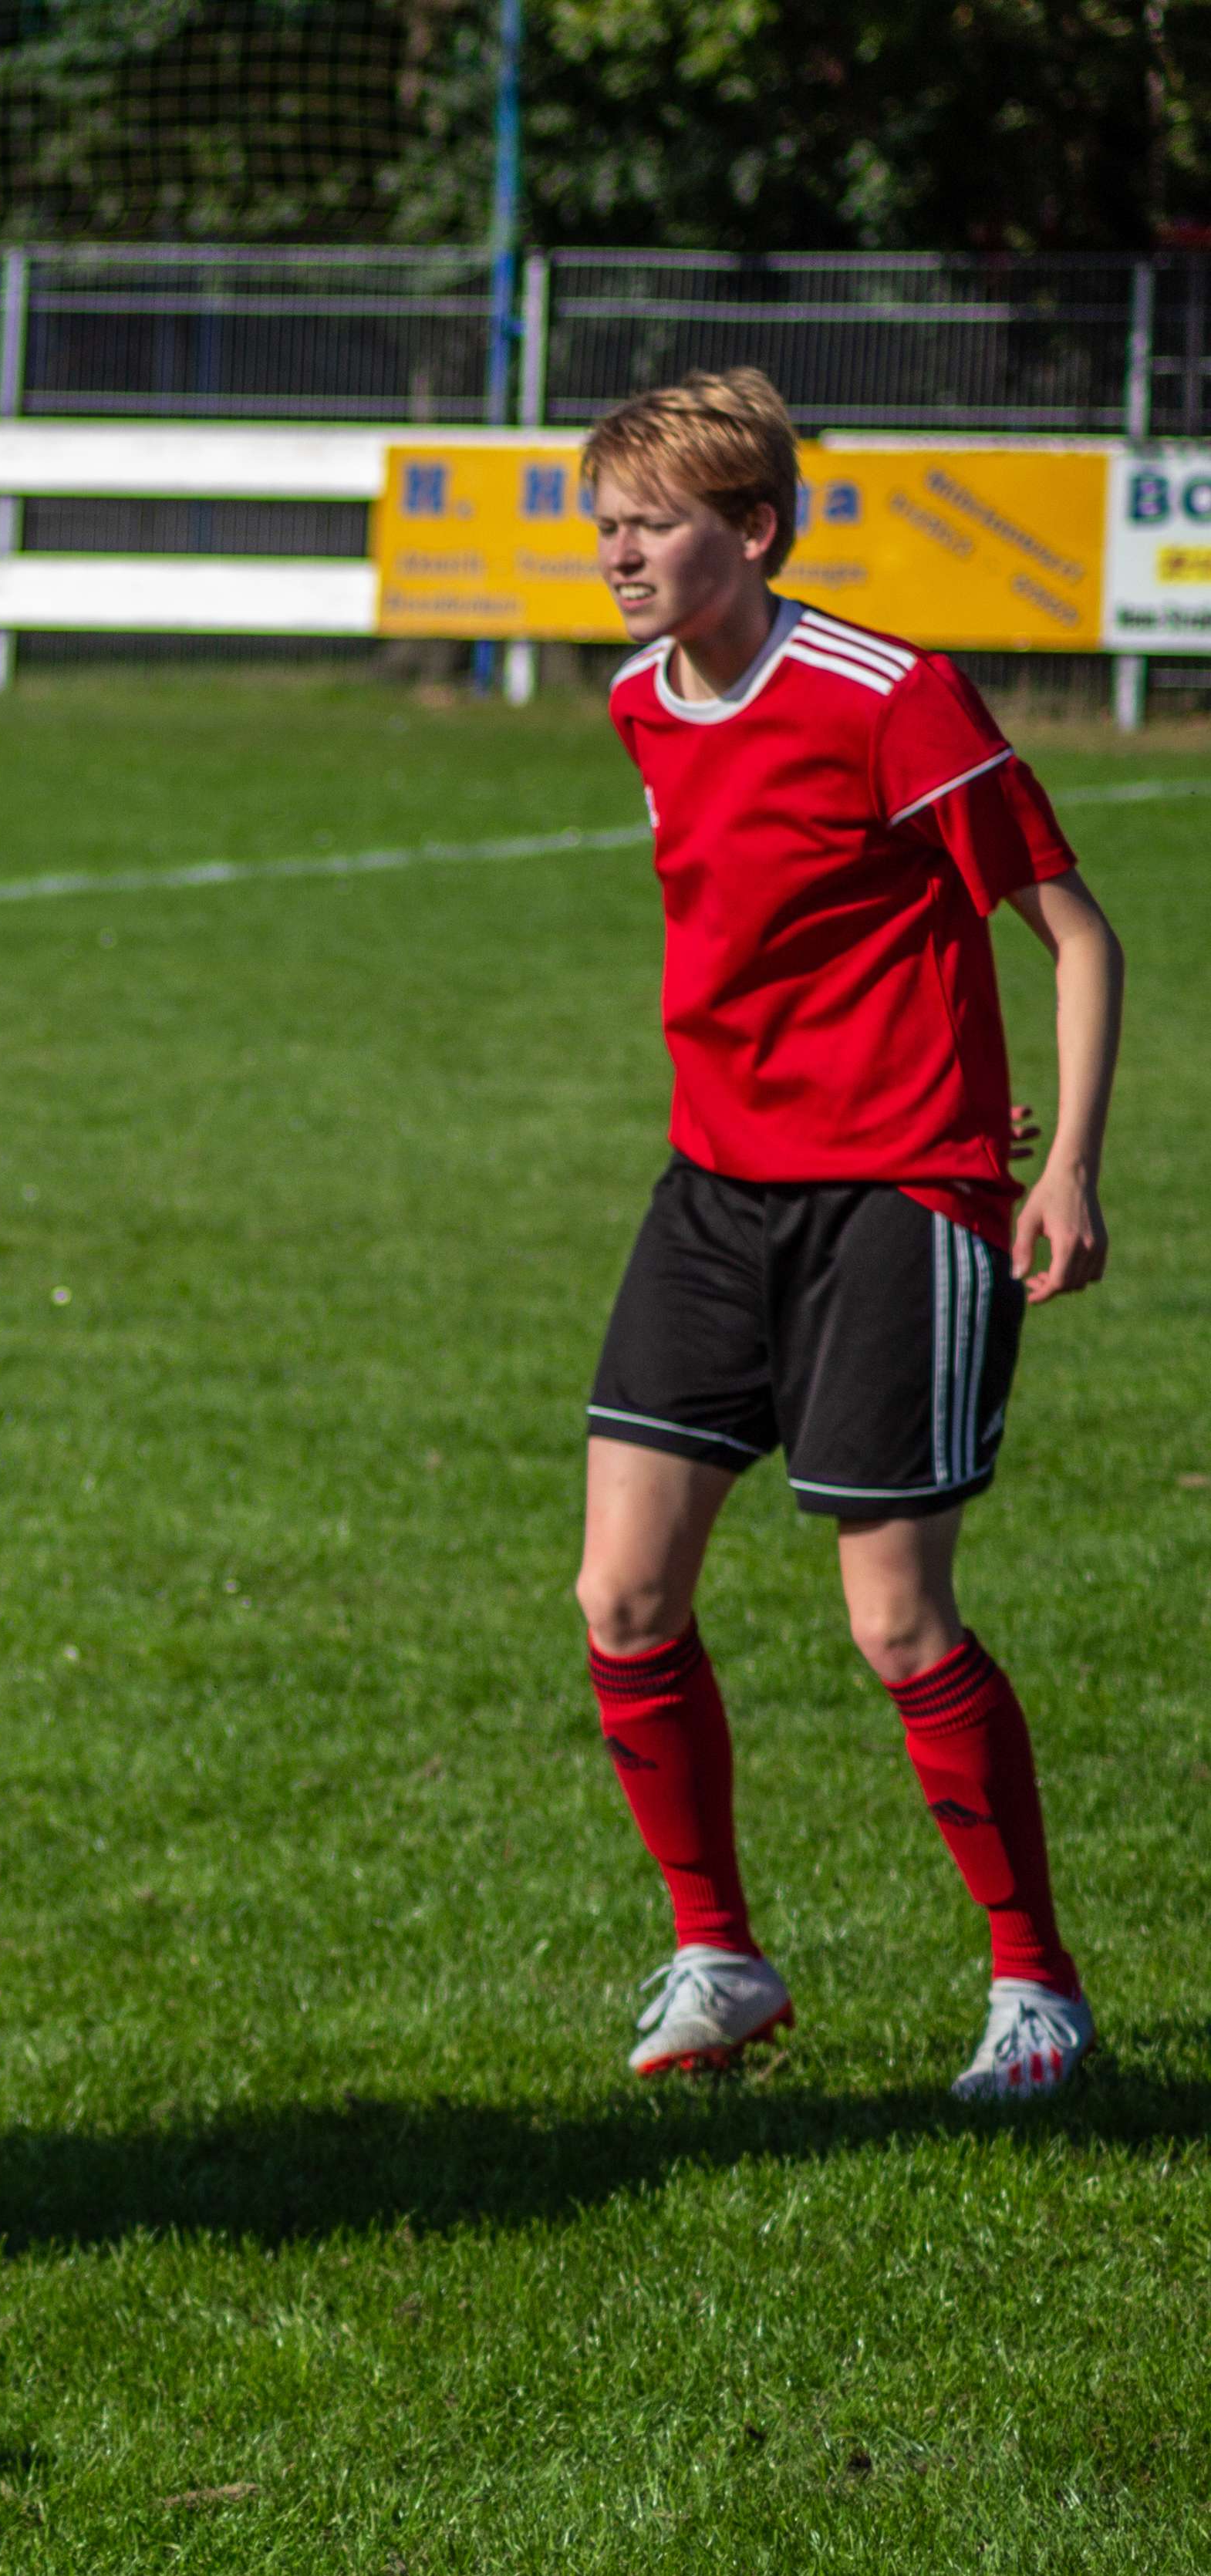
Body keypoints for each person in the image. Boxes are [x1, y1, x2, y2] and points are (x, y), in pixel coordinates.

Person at [568, 371, 1126, 2101]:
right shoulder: (641, 701)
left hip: (899, 1199)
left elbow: (1077, 936)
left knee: (897, 1622)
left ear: (754, 531)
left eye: (652, 525)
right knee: (622, 1594)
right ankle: (721, 1959)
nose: (618, 554)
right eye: (605, 526)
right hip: (713, 1193)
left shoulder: (893, 696)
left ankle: (1035, 1988)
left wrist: (1064, 1166)